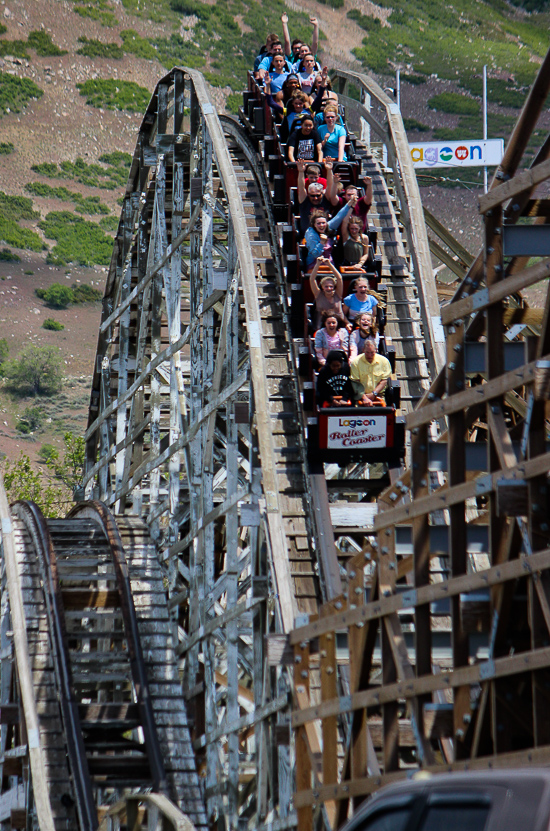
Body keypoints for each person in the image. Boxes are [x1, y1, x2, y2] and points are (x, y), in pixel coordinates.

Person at [304, 195, 357, 270]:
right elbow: (315, 254)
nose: (321, 225)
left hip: (328, 262)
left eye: (323, 223)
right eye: (318, 223)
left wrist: (349, 204)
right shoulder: (311, 234)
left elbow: (339, 217)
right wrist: (322, 243)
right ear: (314, 225)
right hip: (314, 264)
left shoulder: (327, 227)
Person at [297, 157, 339, 235]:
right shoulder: (304, 201)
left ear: (322, 193)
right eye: (312, 196)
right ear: (308, 194)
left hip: (325, 234)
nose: (315, 198)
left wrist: (329, 170)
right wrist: (301, 172)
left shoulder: (325, 199)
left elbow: (329, 186)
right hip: (308, 235)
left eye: (318, 195)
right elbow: (301, 187)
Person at [350, 339, 391, 406]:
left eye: (372, 352)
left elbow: (384, 381)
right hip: (360, 397)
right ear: (363, 350)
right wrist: (364, 397)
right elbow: (355, 383)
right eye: (367, 352)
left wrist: (373, 394)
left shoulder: (384, 361)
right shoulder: (356, 362)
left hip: (378, 396)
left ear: (376, 350)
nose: (369, 355)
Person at [308, 258, 346, 329]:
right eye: (326, 286)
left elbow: (339, 278)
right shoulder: (318, 294)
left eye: (331, 286)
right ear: (322, 287)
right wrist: (318, 264)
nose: (329, 288)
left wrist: (329, 264)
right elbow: (312, 279)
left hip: (338, 325)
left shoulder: (337, 294)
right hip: (321, 326)